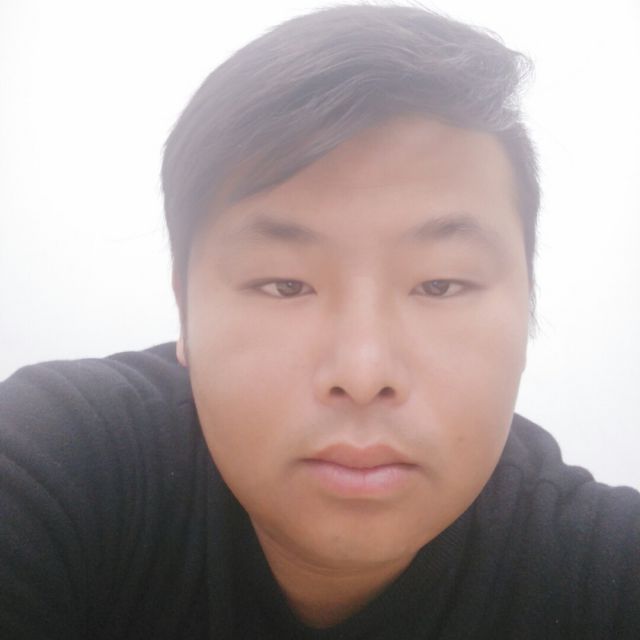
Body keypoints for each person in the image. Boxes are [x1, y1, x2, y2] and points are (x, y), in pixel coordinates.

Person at [1, 4, 638, 639]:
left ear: (527, 308)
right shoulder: (57, 466)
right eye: (285, 284)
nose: (362, 374)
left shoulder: (604, 572)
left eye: (439, 284)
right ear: (184, 315)